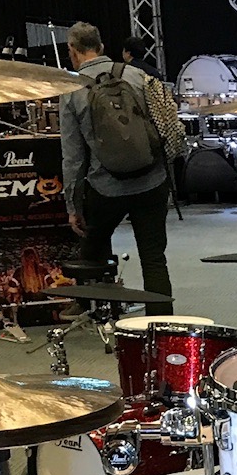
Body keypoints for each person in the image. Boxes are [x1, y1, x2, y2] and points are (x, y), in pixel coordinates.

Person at [59, 20, 172, 308]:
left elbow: (73, 157)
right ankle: (163, 323)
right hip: (151, 180)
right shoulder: (137, 75)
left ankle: (99, 313)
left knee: (92, 252)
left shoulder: (71, 90)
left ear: (72, 50)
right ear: (101, 47)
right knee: (154, 259)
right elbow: (164, 127)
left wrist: (73, 206)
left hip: (105, 187)